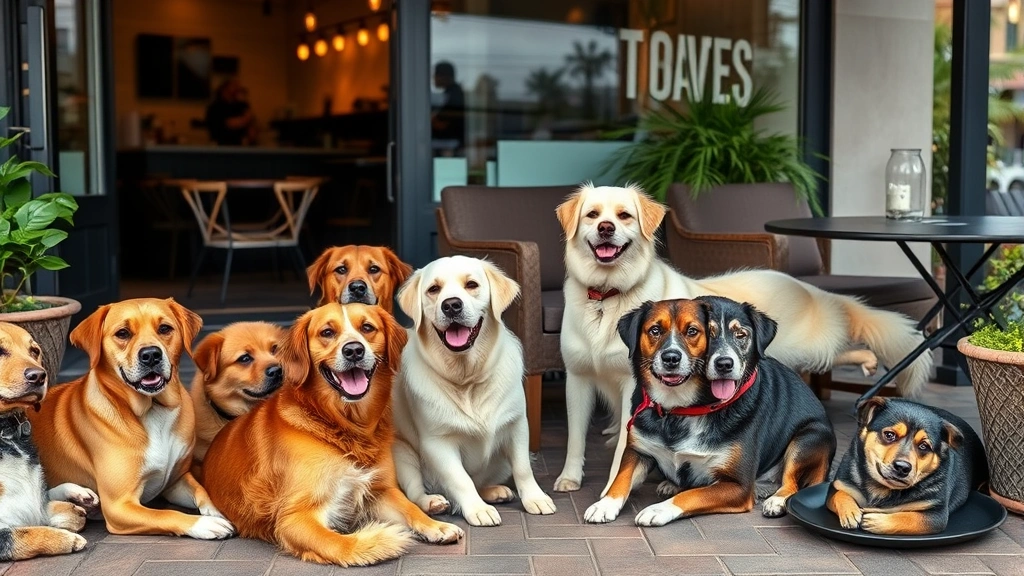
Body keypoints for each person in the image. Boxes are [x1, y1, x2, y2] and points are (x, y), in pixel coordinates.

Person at [205, 78, 255, 146]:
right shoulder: (215, 107)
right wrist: (245, 119)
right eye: (234, 86)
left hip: (239, 145)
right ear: (225, 89)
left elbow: (251, 122)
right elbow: (231, 123)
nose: (238, 88)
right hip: (220, 145)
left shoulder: (240, 105)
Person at [431, 61, 465, 153]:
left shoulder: (454, 96)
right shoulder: (450, 93)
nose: (433, 78)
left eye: (436, 75)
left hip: (452, 146)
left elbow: (440, 124)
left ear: (444, 76)